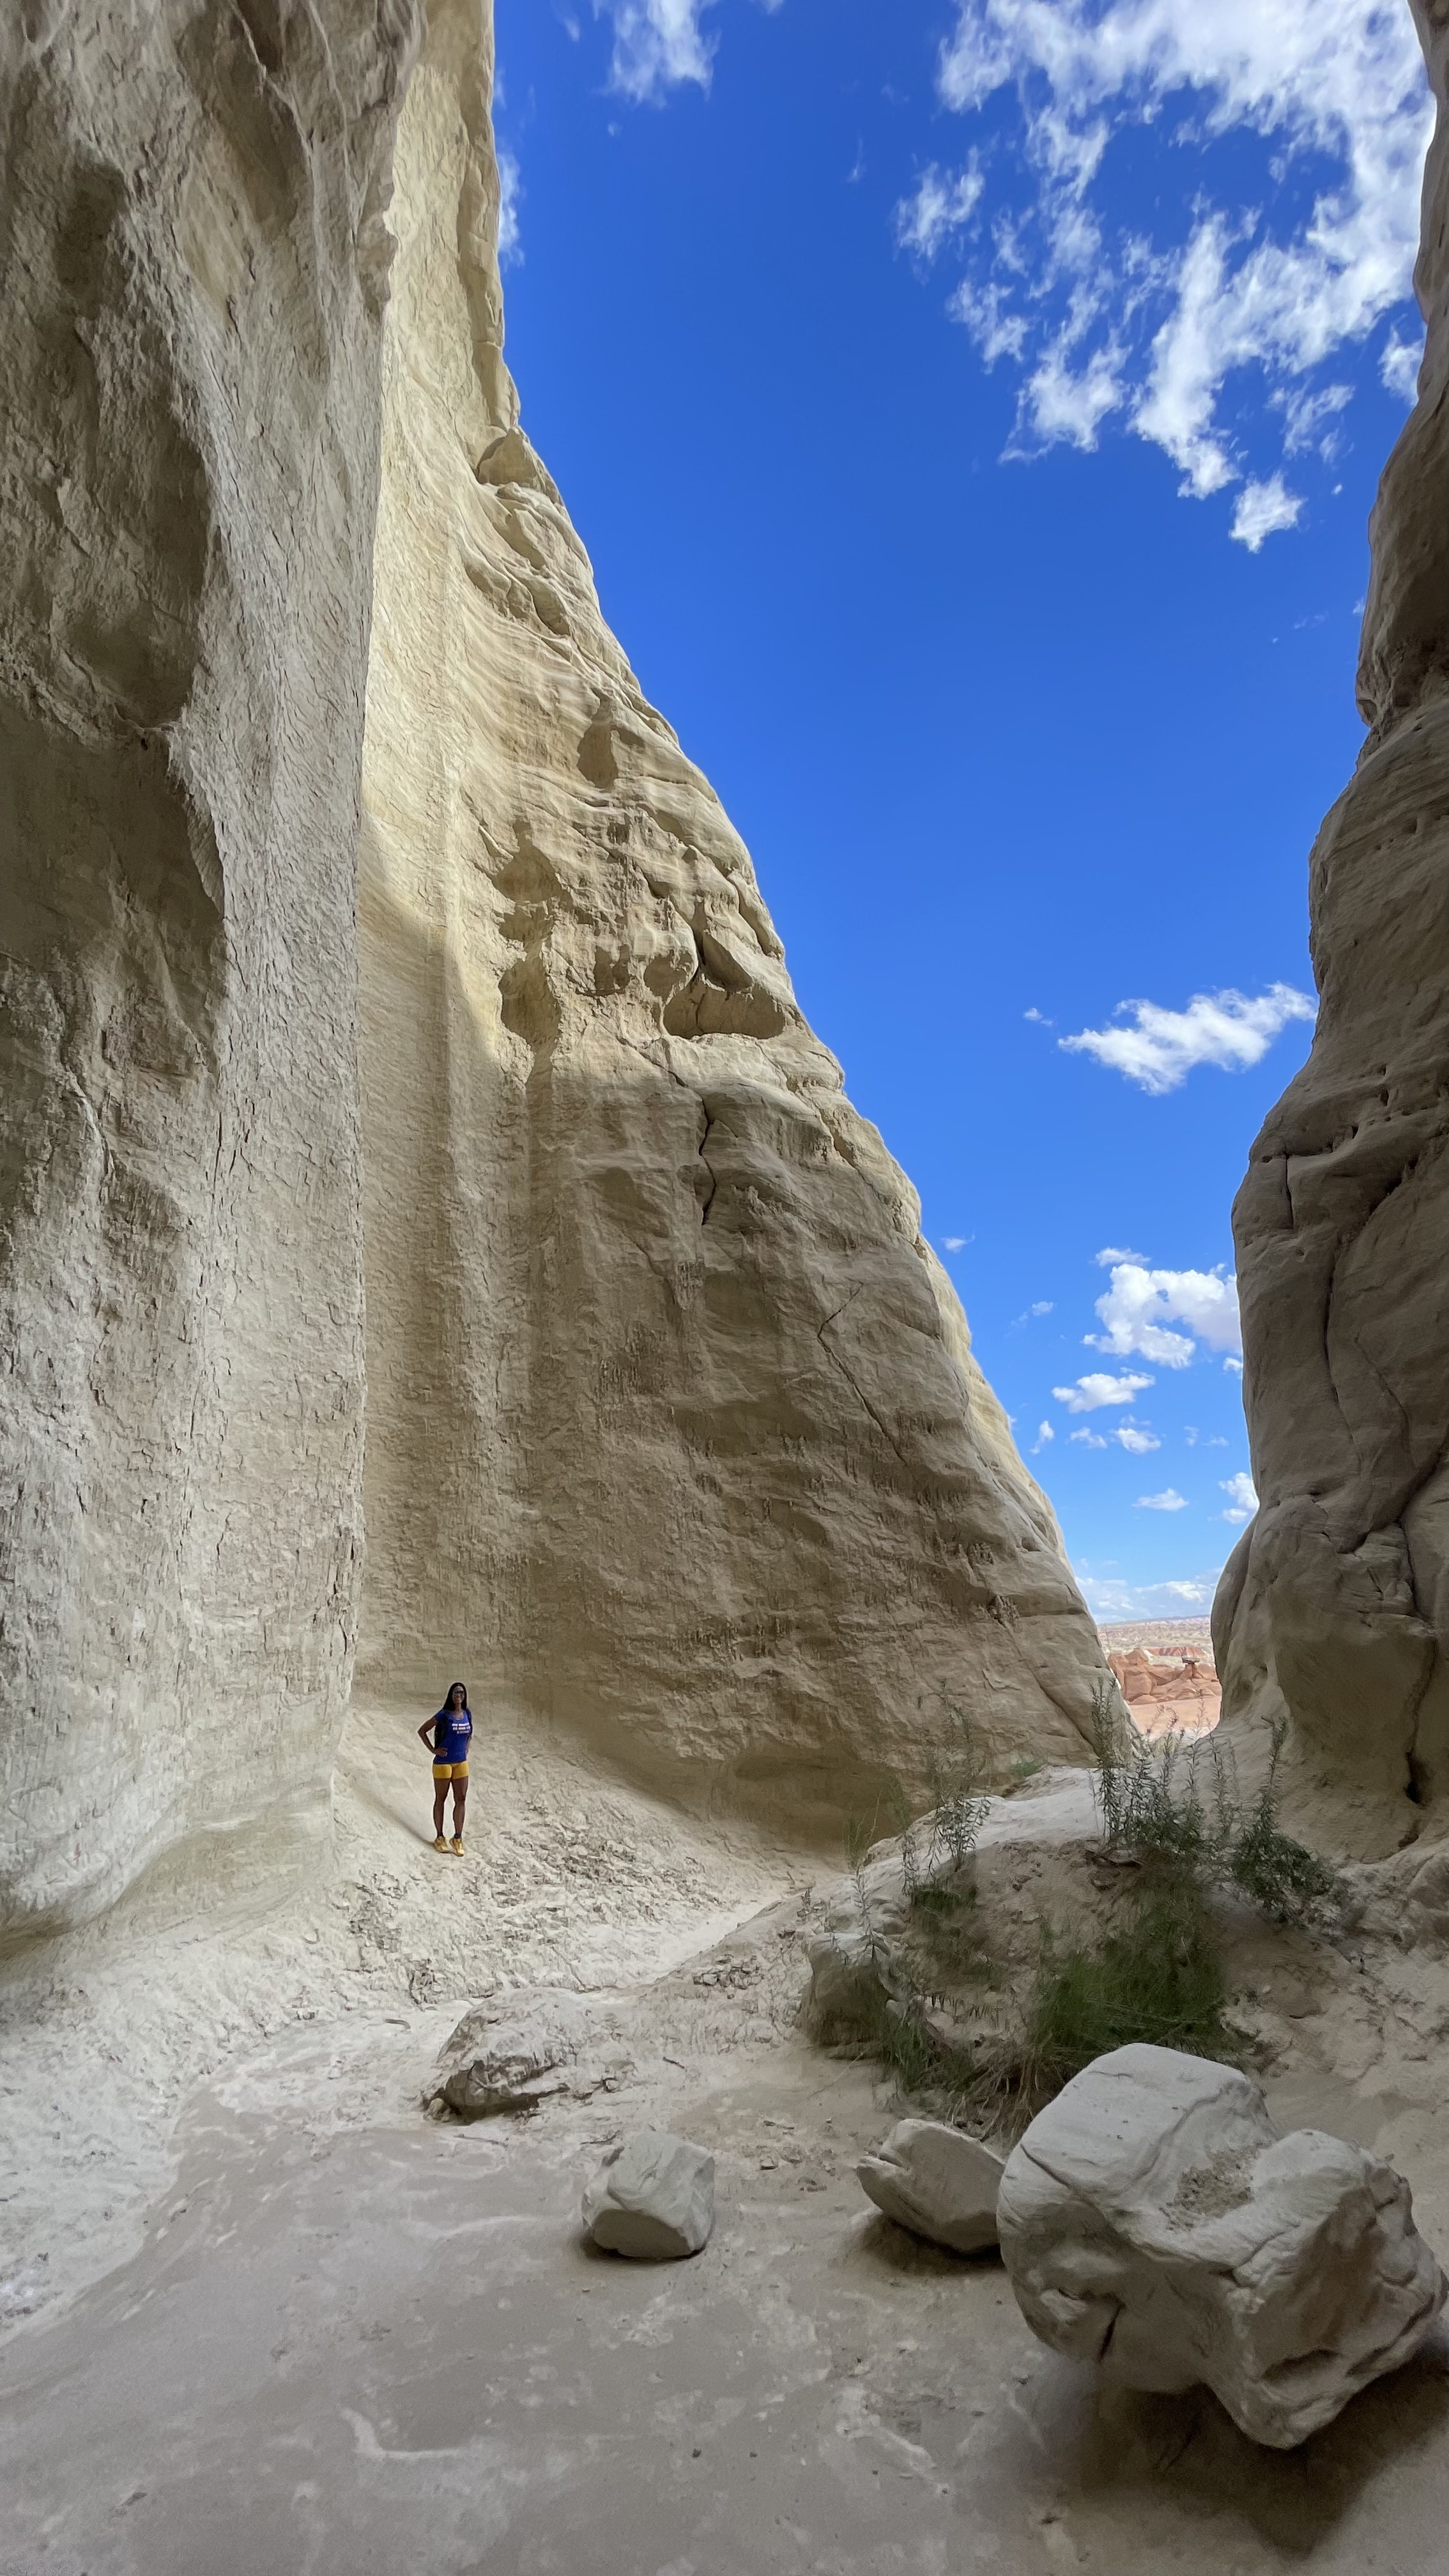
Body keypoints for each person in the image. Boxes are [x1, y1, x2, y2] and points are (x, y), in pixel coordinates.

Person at [419, 1683, 472, 1855]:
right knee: (441, 1798)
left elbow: (469, 1734)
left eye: (461, 1693)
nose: (459, 1695)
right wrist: (433, 1750)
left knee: (461, 1798)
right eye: (456, 1692)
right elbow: (423, 1730)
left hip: (461, 1762)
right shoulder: (444, 1715)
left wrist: (466, 1748)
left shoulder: (467, 1714)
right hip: (443, 1763)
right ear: (451, 1695)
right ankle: (440, 1836)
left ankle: (457, 1837)